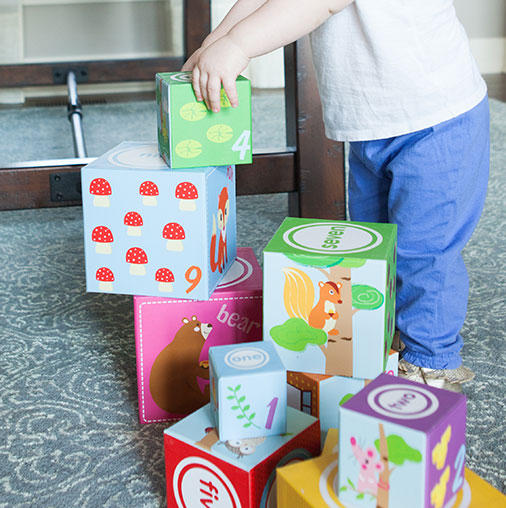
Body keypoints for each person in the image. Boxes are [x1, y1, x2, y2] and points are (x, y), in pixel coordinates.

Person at [183, 0, 489, 393]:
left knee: (424, 251)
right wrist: (217, 42)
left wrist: (238, 46)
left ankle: (430, 360)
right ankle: (383, 337)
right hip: (372, 127)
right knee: (374, 244)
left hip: (436, 119)